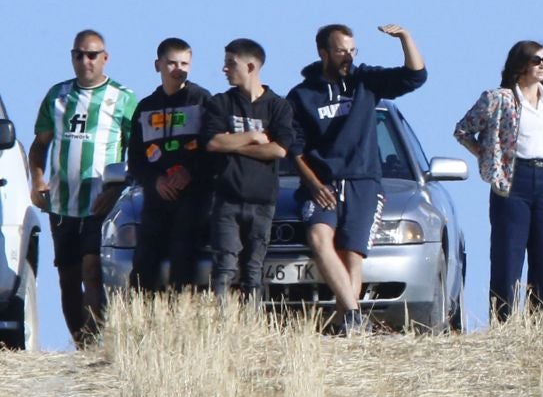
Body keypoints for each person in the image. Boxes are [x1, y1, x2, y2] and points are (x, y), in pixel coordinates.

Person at [287, 23, 427, 332]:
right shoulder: (301, 95)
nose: (348, 57)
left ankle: (346, 321)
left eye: (352, 50)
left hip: (364, 182)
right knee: (318, 238)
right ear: (323, 53)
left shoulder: (366, 81)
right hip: (321, 184)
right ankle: (352, 313)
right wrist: (314, 184)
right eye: (341, 51)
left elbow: (415, 76)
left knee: (352, 255)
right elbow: (293, 148)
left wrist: (405, 37)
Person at [28, 29, 137, 344]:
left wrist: (117, 189)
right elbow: (40, 144)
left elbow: (138, 150)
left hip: (100, 202)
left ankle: (96, 339)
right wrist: (37, 178)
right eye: (79, 55)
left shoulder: (123, 98)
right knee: (67, 276)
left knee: (93, 269)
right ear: (72, 57)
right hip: (62, 203)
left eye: (92, 55)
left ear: (105, 57)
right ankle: (81, 342)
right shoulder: (58, 96)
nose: (86, 61)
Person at [453, 40, 543, 322]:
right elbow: (463, 130)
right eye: (535, 60)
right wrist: (487, 156)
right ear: (520, 65)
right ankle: (504, 320)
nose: (542, 65)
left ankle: (540, 322)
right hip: (512, 180)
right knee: (508, 254)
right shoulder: (498, 99)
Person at [200, 39, 296, 308]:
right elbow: (214, 142)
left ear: (251, 66)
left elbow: (279, 150)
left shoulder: (278, 106)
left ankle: (251, 324)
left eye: (231, 63)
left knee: (253, 270)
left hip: (263, 200)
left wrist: (234, 145)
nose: (224, 69)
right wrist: (253, 137)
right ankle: (219, 323)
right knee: (224, 267)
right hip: (227, 199)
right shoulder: (220, 103)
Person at [128, 37, 212, 293]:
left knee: (183, 254)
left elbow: (213, 149)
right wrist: (156, 181)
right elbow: (135, 158)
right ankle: (143, 317)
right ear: (158, 65)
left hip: (193, 197)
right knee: (144, 260)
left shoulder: (202, 100)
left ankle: (181, 314)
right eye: (172, 63)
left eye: (185, 63)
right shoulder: (146, 107)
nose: (179, 69)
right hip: (156, 197)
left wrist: (190, 172)